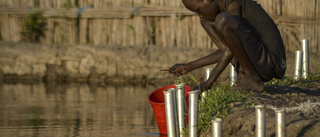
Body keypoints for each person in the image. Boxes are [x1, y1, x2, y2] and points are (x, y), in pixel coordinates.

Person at [168, 0, 286, 92]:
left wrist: (209, 82)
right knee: (207, 22)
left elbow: (230, 49)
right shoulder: (208, 19)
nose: (200, 15)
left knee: (222, 20)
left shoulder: (233, 4)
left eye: (198, 10)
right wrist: (188, 66)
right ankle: (244, 76)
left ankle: (252, 79)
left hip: (272, 62)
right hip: (259, 62)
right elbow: (227, 49)